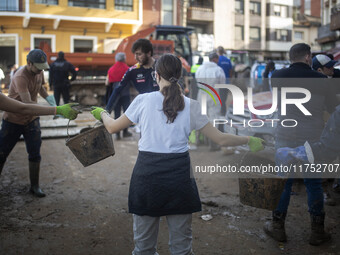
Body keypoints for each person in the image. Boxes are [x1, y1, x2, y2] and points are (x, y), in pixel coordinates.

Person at [90, 54, 265, 255]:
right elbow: (221, 139)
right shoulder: (191, 105)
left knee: (144, 249)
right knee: (182, 249)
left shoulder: (143, 101)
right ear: (180, 75)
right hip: (179, 180)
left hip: (147, 178)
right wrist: (248, 140)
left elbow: (111, 128)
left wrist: (102, 113)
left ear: (155, 75)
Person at [263, 43, 337, 246]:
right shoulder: (323, 80)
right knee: (313, 182)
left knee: (284, 182)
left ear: (290, 57)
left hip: (285, 135)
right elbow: (332, 109)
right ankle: (317, 232)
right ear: (308, 57)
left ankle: (277, 228)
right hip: (312, 138)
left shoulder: (277, 76)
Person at [0, 49, 72, 198]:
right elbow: (26, 106)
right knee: (2, 154)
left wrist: (50, 100)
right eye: (38, 67)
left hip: (31, 120)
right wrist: (55, 110)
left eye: (42, 68)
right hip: (13, 120)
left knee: (35, 153)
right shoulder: (20, 76)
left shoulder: (38, 72)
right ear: (29, 63)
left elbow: (40, 88)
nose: (40, 71)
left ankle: (34, 186)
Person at [105, 39, 159, 113]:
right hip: (147, 109)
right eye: (135, 54)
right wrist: (107, 110)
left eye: (139, 54)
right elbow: (117, 90)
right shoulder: (133, 70)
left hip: (163, 108)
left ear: (149, 53)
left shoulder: (161, 67)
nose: (136, 58)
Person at [195, 52, 226, 150]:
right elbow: (222, 85)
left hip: (201, 94)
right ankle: (213, 143)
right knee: (214, 118)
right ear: (216, 59)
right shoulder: (218, 70)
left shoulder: (199, 69)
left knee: (201, 117)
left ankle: (199, 140)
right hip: (214, 95)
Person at [105, 52, 131, 139]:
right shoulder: (127, 69)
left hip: (115, 95)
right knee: (126, 113)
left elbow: (107, 83)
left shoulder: (111, 69)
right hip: (125, 94)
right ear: (124, 59)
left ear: (116, 59)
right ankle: (125, 132)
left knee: (117, 113)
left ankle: (117, 134)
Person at [217, 46, 232, 116]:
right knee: (224, 98)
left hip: (219, 82)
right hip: (226, 81)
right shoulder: (227, 60)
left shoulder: (217, 60)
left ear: (218, 52)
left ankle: (220, 111)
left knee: (218, 97)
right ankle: (223, 111)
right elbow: (231, 71)